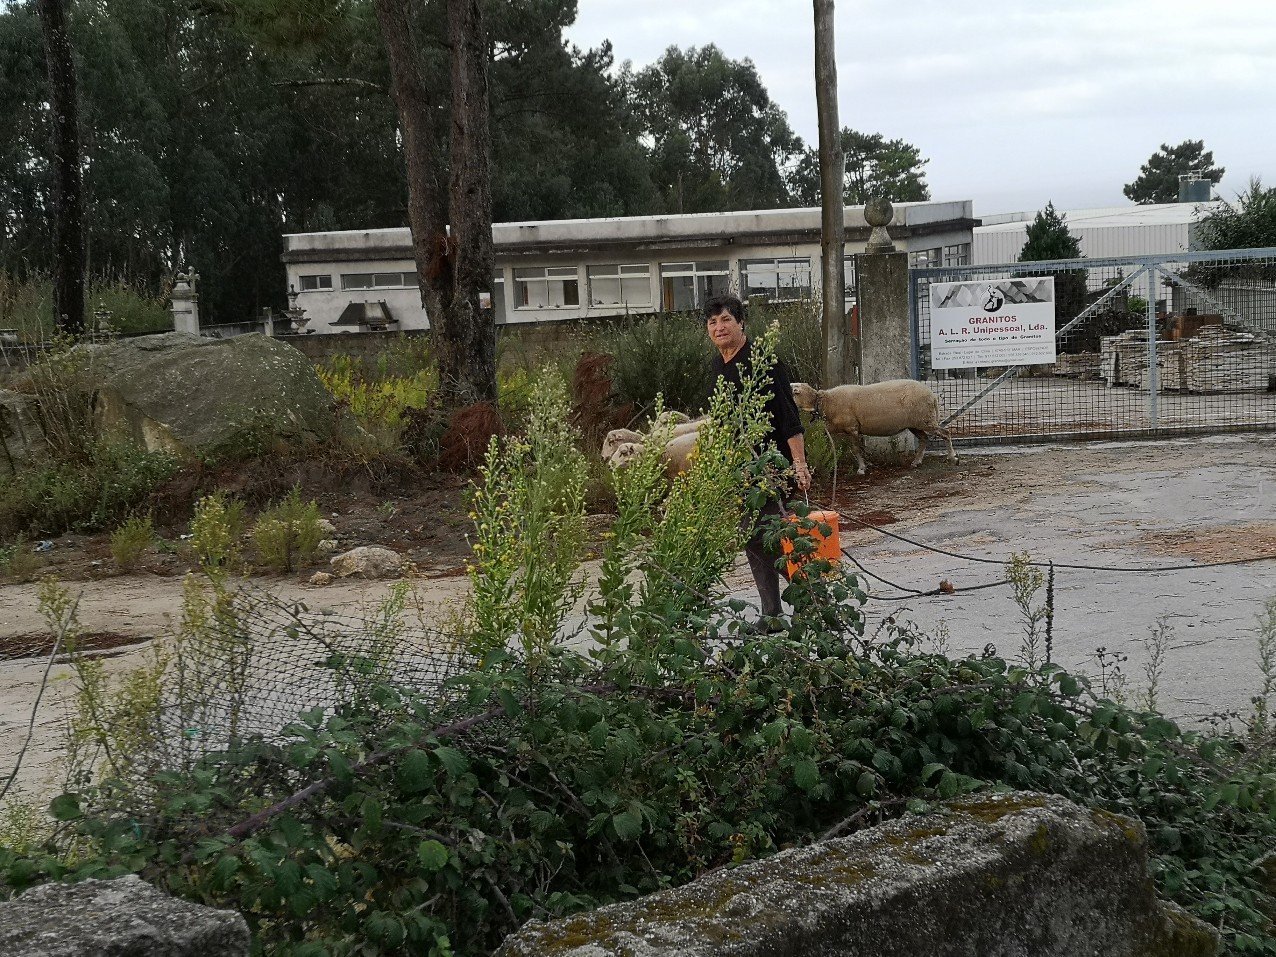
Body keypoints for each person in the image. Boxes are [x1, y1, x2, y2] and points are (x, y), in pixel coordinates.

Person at [703, 294, 810, 628]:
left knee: (774, 537)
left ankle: (812, 605)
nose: (719, 327)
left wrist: (799, 464)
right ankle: (772, 613)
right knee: (752, 539)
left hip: (772, 468)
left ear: (741, 323)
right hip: (740, 472)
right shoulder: (718, 367)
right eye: (712, 322)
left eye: (726, 319)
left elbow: (789, 418)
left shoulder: (765, 362)